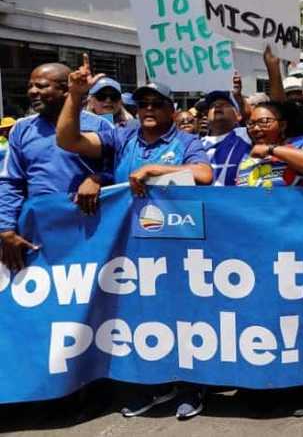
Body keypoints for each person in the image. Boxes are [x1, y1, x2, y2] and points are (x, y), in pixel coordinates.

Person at [55, 57, 213, 419]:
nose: (148, 109)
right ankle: (153, 386)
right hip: (130, 248)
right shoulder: (121, 136)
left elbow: (204, 174)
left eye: (157, 103)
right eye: (142, 103)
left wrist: (160, 169)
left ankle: (192, 385)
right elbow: (69, 139)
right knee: (140, 317)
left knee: (183, 316)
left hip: (178, 246)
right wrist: (76, 95)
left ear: (173, 110)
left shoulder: (187, 141)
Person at [0, 62, 111, 273]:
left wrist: (97, 178)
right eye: (30, 86)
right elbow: (11, 181)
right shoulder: (21, 129)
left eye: (41, 86)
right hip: (40, 233)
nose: (33, 92)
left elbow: (118, 171)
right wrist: (5, 227)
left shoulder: (100, 126)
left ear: (66, 89)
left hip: (89, 230)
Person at [236, 101, 303, 188]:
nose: (255, 128)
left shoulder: (302, 144)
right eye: (251, 123)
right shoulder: (246, 156)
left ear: (282, 125)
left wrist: (271, 150)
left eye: (264, 121)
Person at [199, 90, 252, 187]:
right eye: (212, 106)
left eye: (224, 104)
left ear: (238, 115)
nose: (217, 107)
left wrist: (239, 98)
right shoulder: (195, 145)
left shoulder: (245, 135)